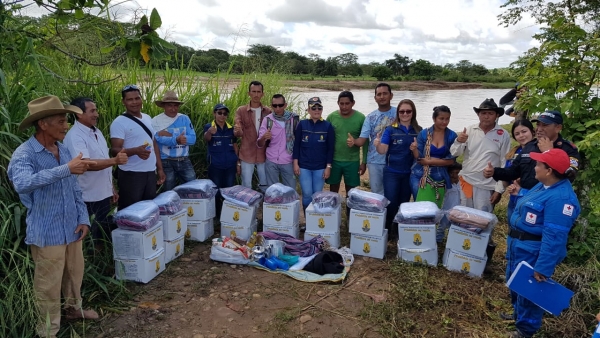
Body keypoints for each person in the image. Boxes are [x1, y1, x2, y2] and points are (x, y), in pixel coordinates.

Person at [8, 96, 99, 337]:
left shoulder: (63, 148)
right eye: (61, 121)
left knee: (73, 273)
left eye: (66, 120)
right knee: (48, 285)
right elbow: (22, 184)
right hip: (47, 231)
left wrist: (83, 217)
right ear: (43, 124)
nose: (66, 125)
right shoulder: (25, 154)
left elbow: (74, 186)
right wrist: (65, 169)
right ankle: (48, 330)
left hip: (72, 226)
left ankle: (73, 310)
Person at [504, 148, 580, 338]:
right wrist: (519, 193)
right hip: (519, 246)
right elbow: (533, 201)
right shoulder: (544, 185)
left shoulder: (562, 199)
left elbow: (554, 238)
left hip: (533, 250)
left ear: (549, 171)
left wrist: (543, 268)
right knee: (516, 284)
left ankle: (525, 330)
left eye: (538, 164)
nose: (534, 167)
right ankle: (517, 316)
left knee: (530, 292)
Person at [450, 98, 510, 271]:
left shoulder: (503, 135)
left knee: (484, 219)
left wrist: (499, 189)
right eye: (483, 113)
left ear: (497, 115)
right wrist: (459, 141)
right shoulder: (469, 130)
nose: (486, 116)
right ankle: (462, 250)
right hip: (467, 181)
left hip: (487, 185)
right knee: (464, 217)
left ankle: (483, 256)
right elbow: (454, 152)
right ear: (478, 114)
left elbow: (505, 164)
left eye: (490, 113)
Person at [64, 97, 128, 250]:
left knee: (103, 233)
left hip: (102, 194)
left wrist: (111, 187)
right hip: (88, 196)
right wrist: (115, 161)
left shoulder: (96, 131)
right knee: (91, 237)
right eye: (92, 111)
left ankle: (103, 265)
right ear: (79, 114)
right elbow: (85, 164)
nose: (96, 114)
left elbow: (102, 160)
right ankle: (93, 268)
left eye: (96, 110)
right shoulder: (75, 136)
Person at [485, 110, 581, 191]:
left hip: (549, 199)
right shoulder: (530, 146)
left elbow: (570, 175)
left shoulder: (568, 149)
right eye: (538, 125)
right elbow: (513, 172)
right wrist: (494, 172)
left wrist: (549, 153)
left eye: (544, 125)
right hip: (524, 197)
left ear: (558, 128)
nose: (539, 129)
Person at [110, 84, 165, 210]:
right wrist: (135, 151)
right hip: (131, 175)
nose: (134, 102)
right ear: (123, 102)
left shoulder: (147, 118)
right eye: (130, 99)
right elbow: (114, 151)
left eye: (137, 98)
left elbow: (154, 143)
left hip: (150, 173)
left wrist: (160, 168)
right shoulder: (119, 122)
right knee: (130, 211)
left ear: (142, 99)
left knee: (149, 210)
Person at [373, 99, 421, 239]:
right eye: (402, 111)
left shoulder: (419, 131)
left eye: (408, 111)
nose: (405, 114)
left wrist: (415, 149)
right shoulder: (390, 129)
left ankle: (400, 229)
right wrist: (377, 144)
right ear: (398, 113)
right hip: (392, 173)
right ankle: (387, 228)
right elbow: (383, 150)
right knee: (391, 202)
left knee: (404, 203)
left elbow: (421, 154)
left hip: (410, 173)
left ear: (413, 113)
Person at [350, 83, 396, 195]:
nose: (382, 96)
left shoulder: (400, 113)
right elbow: (362, 139)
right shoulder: (370, 117)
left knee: (394, 192)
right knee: (377, 193)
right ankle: (381, 213)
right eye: (379, 94)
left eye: (385, 93)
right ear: (375, 98)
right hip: (375, 161)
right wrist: (354, 141)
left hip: (396, 159)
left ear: (391, 95)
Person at [410, 105, 458, 208]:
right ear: (434, 118)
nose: (444, 122)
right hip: (419, 175)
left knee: (435, 208)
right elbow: (419, 158)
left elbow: (451, 161)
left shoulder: (452, 136)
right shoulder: (424, 134)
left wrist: (430, 162)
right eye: (441, 119)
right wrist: (414, 149)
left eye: (447, 119)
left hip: (440, 176)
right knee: (419, 207)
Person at [293, 97, 335, 213]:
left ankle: (315, 221)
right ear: (308, 110)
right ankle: (307, 221)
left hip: (320, 167)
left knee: (317, 195)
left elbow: (330, 149)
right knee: (306, 194)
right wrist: (295, 163)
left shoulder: (328, 126)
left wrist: (328, 167)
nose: (317, 110)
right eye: (314, 108)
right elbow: (296, 146)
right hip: (304, 166)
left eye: (319, 108)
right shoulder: (302, 124)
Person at [152, 90, 197, 191]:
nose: (173, 109)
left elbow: (193, 138)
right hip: (166, 161)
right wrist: (176, 139)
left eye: (175, 106)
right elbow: (159, 139)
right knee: (168, 191)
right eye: (169, 106)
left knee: (193, 187)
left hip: (184, 159)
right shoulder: (156, 121)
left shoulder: (184, 118)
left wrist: (172, 136)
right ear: (163, 106)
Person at [326, 91, 367, 196]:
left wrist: (364, 162)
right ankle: (334, 210)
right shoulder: (331, 117)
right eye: (341, 103)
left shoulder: (361, 118)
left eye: (347, 103)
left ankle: (349, 212)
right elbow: (325, 140)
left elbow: (366, 141)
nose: (344, 107)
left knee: (351, 191)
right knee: (333, 189)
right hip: (334, 160)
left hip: (352, 161)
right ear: (338, 103)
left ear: (353, 103)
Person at [233, 81, 271, 192]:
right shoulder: (241, 110)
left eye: (259, 92)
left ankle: (266, 207)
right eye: (253, 92)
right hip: (247, 153)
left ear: (262, 94)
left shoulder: (268, 111)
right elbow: (237, 132)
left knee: (265, 185)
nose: (256, 94)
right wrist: (238, 130)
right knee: (246, 185)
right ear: (248, 93)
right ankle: (249, 208)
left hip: (263, 154)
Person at [204, 103, 239, 218]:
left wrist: (238, 163)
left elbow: (235, 145)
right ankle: (216, 216)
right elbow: (206, 139)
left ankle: (227, 216)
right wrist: (209, 132)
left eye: (225, 113)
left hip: (230, 165)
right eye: (219, 113)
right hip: (215, 165)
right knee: (216, 192)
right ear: (214, 113)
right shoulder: (209, 126)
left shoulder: (231, 129)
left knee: (228, 191)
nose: (222, 116)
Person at [257, 94, 298, 188]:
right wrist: (264, 137)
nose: (278, 108)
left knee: (290, 190)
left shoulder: (294, 119)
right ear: (271, 106)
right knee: (273, 191)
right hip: (271, 160)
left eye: (280, 105)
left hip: (288, 160)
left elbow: (298, 142)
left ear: (285, 105)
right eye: (275, 106)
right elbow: (259, 143)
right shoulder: (267, 120)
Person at [502, 119, 535, 221]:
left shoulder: (540, 150)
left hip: (533, 200)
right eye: (517, 134)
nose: (521, 135)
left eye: (524, 131)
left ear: (532, 132)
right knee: (512, 228)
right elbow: (506, 178)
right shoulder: (513, 153)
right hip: (514, 199)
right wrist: (509, 185)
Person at [437, 163, 463, 245]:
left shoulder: (462, 183)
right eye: (452, 173)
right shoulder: (445, 184)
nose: (454, 175)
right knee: (442, 226)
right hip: (446, 209)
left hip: (458, 210)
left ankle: (452, 241)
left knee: (455, 227)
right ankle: (438, 240)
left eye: (457, 173)